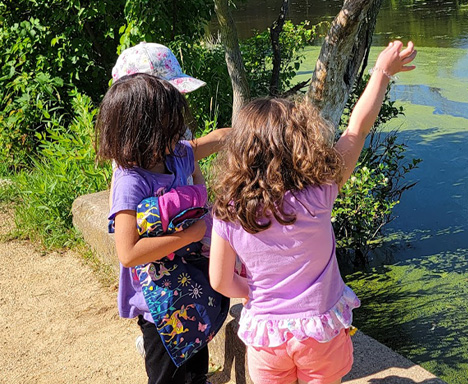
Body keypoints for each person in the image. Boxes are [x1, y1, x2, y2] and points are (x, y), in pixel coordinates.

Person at [209, 41, 417, 384]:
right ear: (299, 142)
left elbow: (220, 280)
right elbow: (356, 130)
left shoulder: (229, 211)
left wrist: (255, 291)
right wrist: (381, 72)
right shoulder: (319, 192)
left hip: (266, 337)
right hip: (319, 332)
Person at [96, 72, 230, 384]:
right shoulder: (131, 180)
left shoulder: (179, 154)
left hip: (192, 286)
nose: (181, 133)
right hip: (159, 306)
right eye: (172, 127)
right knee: (167, 375)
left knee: (196, 363)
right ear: (143, 132)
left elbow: (218, 139)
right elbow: (128, 253)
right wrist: (191, 234)